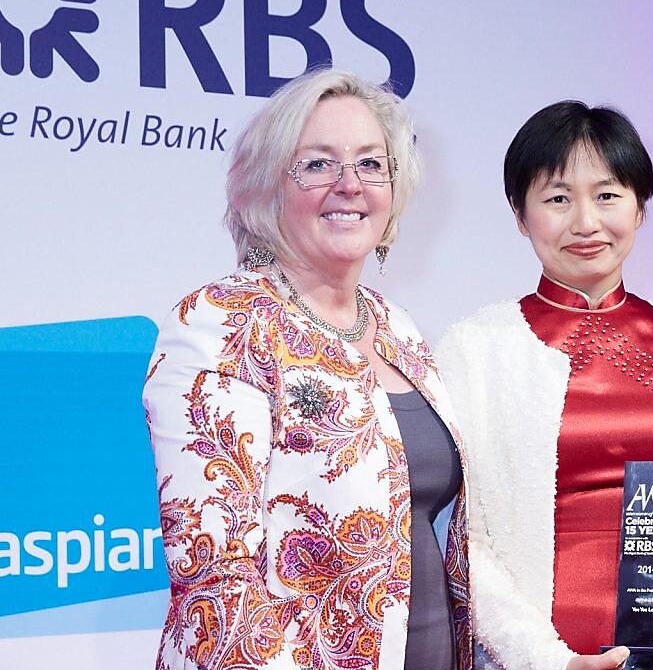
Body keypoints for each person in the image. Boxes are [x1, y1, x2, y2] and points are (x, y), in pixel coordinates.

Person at [143, 68, 471, 670]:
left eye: (372, 164)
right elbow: (216, 581)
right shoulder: (220, 324)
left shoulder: (398, 327)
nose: (350, 184)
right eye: (318, 164)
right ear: (266, 187)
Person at [436, 101, 653, 670]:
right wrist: (547, 660)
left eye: (607, 195)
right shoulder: (474, 349)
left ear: (640, 206)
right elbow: (461, 544)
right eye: (557, 199)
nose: (585, 222)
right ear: (519, 214)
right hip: (536, 659)